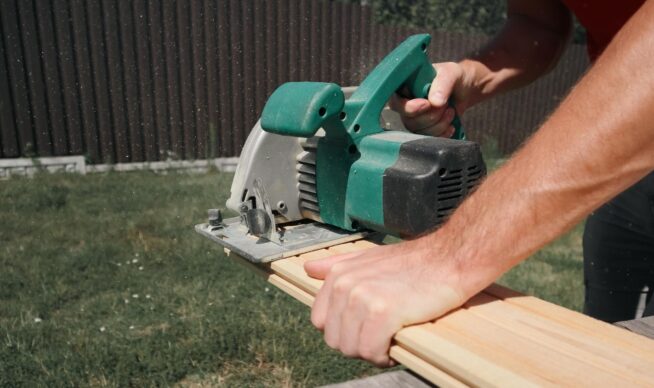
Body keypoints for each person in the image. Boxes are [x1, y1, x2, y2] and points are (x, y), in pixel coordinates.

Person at [303, 0, 654, 367]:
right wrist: (472, 76)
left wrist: (456, 253)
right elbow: (537, 25)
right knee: (601, 341)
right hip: (623, 152)